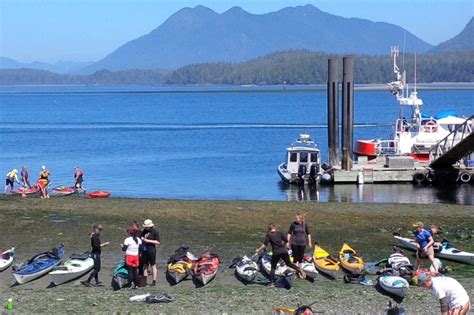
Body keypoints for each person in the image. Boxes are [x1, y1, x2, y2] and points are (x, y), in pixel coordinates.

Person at [256, 223, 305, 288]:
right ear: (275, 228)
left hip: (276, 253)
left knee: (273, 268)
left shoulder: (268, 235)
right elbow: (286, 241)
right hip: (284, 251)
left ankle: (272, 283)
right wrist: (285, 246)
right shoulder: (279, 233)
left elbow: (265, 244)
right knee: (289, 263)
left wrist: (258, 250)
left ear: (269, 229)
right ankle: (298, 269)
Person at [140, 219, 160, 286]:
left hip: (151, 250)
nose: (145, 228)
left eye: (146, 226)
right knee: (145, 265)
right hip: (144, 250)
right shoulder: (144, 231)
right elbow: (141, 238)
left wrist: (147, 240)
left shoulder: (155, 232)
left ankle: (154, 281)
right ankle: (144, 281)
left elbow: (158, 242)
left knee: (153, 265)